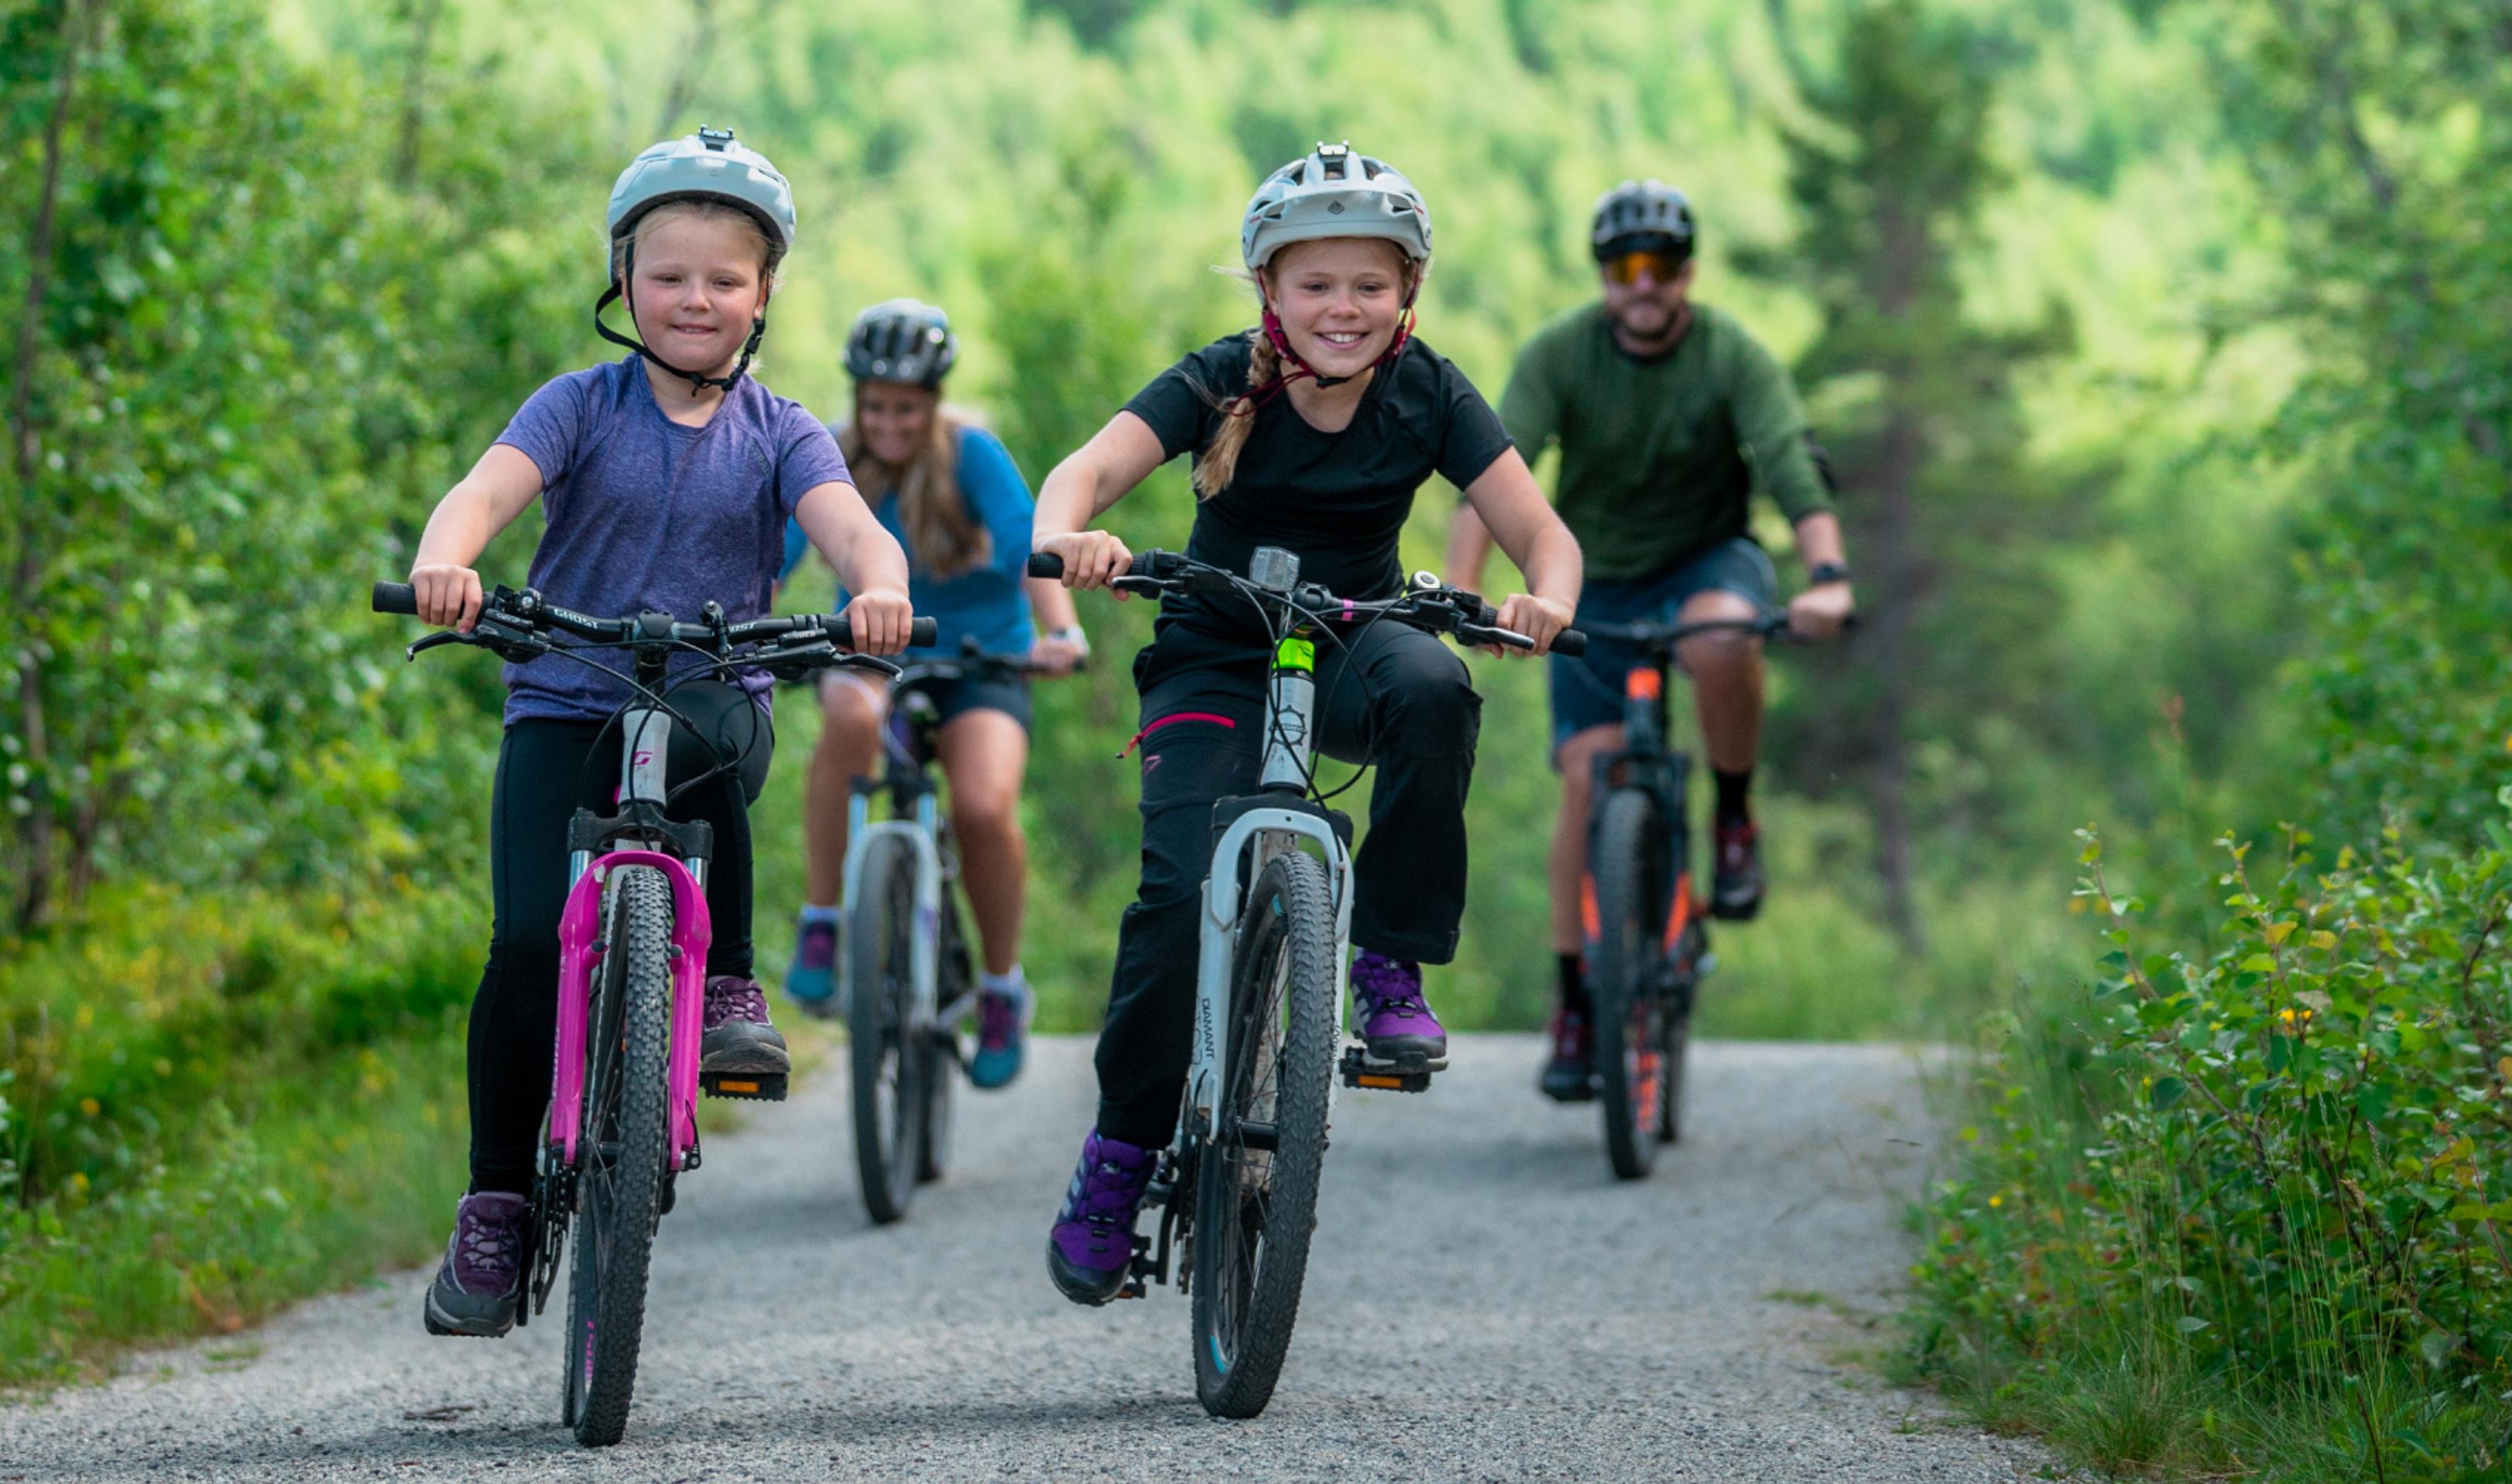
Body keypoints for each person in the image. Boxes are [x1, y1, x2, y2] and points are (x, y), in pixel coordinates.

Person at [1030, 143, 1583, 1305]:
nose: (1346, 308)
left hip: (1349, 639)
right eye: (1318, 284)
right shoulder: (1219, 378)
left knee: (1436, 687)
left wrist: (1547, 600)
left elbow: (1544, 536)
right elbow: (1080, 475)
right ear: (1270, 291)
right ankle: (1121, 1154)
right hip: (1214, 652)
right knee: (1179, 902)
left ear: (1408, 295)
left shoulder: (1429, 390)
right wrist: (1078, 536)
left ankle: (1387, 960)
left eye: (1371, 286)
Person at [404, 128, 915, 1337]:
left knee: (703, 744)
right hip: (565, 695)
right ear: (624, 278)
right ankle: (495, 1204)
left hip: (708, 697)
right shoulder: (578, 405)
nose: (696, 299)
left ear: (763, 295)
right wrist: (446, 559)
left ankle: (728, 980)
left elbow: (849, 530)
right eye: (670, 273)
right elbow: (483, 493)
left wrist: (877, 586)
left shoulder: (784, 430)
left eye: (724, 279)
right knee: (526, 944)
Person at [1443, 178, 1853, 1104]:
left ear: (1686, 275)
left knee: (1721, 641)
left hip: (1708, 558)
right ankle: (1576, 1001)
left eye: (1661, 267)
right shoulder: (1561, 354)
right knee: (1586, 783)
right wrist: (1462, 594)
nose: (1643, 284)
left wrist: (1828, 577)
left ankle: (1734, 820)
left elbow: (1791, 459)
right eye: (1624, 268)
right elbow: (1490, 471)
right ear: (1603, 276)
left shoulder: (1730, 356)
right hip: (1594, 578)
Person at [778, 298, 1087, 1091]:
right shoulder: (831, 458)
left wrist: (1060, 634)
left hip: (984, 661)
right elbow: (772, 555)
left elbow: (1032, 551)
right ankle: (823, 918)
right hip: (878, 652)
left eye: (906, 408)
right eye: (876, 406)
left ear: (933, 403)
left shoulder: (973, 458)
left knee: (982, 809)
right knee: (848, 711)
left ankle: (999, 987)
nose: (889, 423)